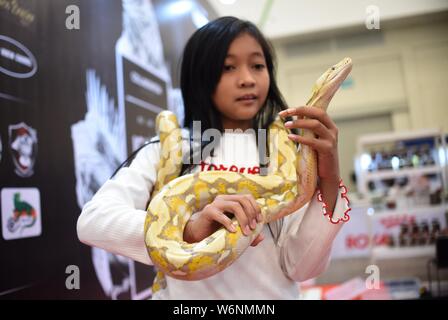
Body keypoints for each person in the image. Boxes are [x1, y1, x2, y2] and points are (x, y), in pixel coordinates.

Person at [77, 16, 351, 300]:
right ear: (201, 76)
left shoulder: (282, 153)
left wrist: (328, 179)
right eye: (228, 67)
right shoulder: (170, 147)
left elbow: (301, 267)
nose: (247, 79)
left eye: (257, 65)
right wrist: (185, 229)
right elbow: (93, 221)